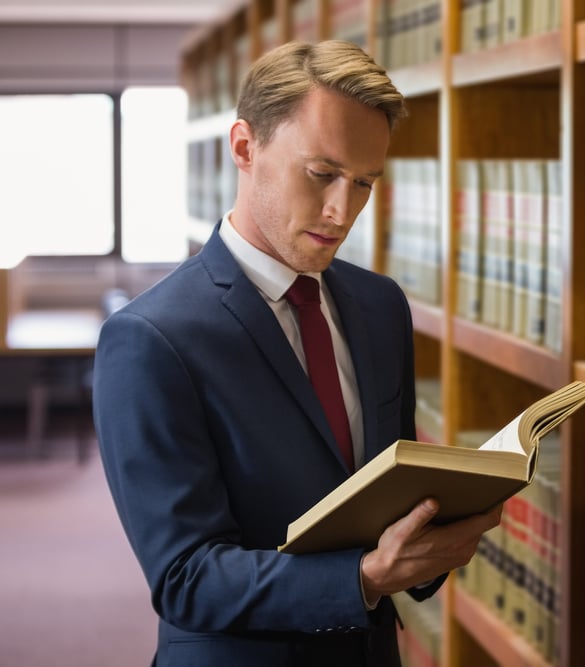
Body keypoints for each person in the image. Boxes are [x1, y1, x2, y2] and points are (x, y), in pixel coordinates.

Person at [93, 40, 501, 667]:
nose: (343, 211)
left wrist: (432, 539)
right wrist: (362, 578)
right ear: (245, 148)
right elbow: (184, 579)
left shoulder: (381, 306)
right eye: (322, 174)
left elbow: (384, 490)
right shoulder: (150, 340)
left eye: (364, 183)